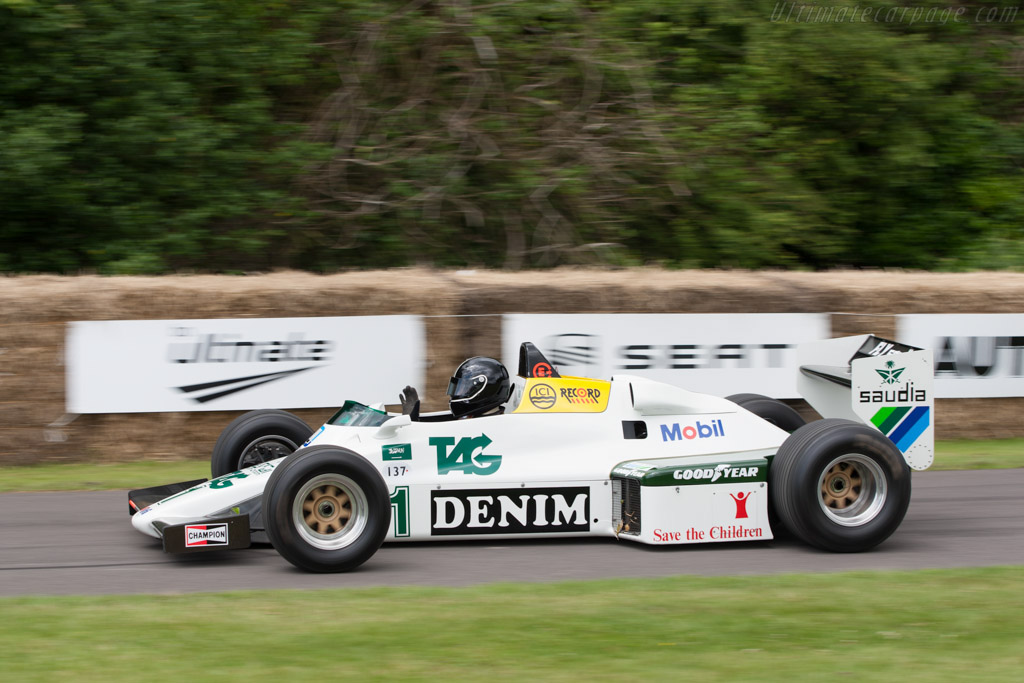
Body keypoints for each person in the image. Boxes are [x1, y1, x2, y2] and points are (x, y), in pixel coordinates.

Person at [399, 356, 512, 420]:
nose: (457, 393)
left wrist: (411, 425)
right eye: (458, 388)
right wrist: (412, 421)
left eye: (464, 388)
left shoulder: (490, 425)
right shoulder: (476, 419)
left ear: (482, 389)